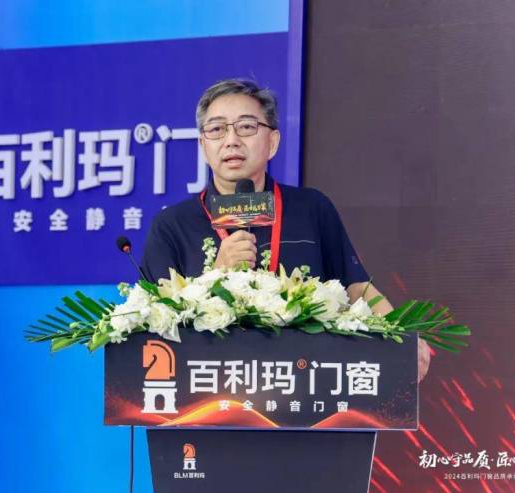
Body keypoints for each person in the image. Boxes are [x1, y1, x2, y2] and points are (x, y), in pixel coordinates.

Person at [140, 78, 430, 382]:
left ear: (273, 142)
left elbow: (356, 287)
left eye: (246, 127)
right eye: (217, 129)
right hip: (210, 387)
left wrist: (402, 338)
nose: (231, 140)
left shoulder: (311, 208)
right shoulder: (172, 225)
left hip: (303, 384)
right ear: (203, 145)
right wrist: (216, 275)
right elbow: (154, 320)